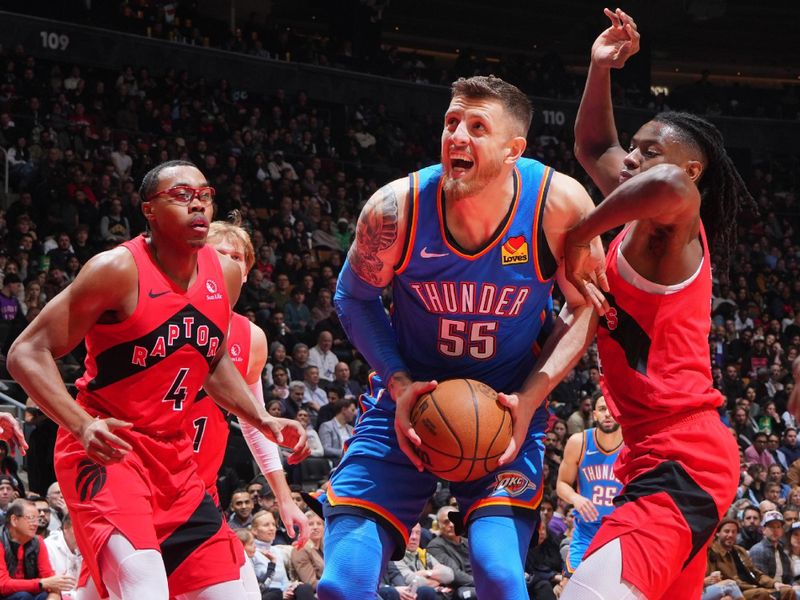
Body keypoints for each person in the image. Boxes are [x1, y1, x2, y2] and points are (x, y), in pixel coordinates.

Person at [320, 74, 603, 600]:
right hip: (405, 403)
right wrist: (400, 385)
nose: (457, 137)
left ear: (513, 149)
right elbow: (353, 297)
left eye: (477, 127)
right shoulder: (395, 208)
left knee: (499, 578)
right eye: (452, 122)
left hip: (505, 412)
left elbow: (587, 306)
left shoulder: (557, 204)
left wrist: (530, 400)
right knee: (342, 583)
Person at [6, 160, 308, 600]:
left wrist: (260, 417)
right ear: (148, 209)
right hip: (110, 450)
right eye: (182, 196)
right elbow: (25, 352)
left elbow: (212, 356)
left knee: (234, 593)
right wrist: (82, 424)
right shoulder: (116, 269)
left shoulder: (220, 275)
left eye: (205, 195)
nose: (198, 205)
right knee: (145, 587)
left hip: (175, 461)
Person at [561, 9, 753, 600]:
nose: (632, 161)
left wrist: (575, 237)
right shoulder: (636, 221)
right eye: (635, 149)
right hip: (653, 458)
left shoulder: (676, 233)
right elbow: (595, 144)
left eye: (649, 152)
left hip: (683, 458)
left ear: (691, 170)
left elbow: (666, 186)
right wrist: (599, 69)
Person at [183, 215, 309, 543]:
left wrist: (283, 499)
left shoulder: (251, 337)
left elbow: (253, 420)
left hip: (199, 487)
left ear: (246, 274)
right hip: (143, 475)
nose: (228, 262)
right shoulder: (161, 309)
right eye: (218, 253)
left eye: (237, 257)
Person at [556, 391, 623, 576]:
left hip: (620, 533)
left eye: (612, 408)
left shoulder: (633, 446)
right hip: (586, 531)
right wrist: (575, 498)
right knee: (569, 586)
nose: (608, 414)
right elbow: (561, 484)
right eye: (602, 409)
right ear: (594, 414)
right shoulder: (579, 442)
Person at [0, 499, 74, 599]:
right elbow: (2, 585)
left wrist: (53, 595)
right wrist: (41, 583)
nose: (35, 524)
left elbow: (50, 579)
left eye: (37, 519)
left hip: (29, 593)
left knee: (44, 595)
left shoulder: (38, 541)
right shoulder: (1, 540)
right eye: (31, 518)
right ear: (14, 520)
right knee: (24, 596)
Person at [706, 518, 794, 600]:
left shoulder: (740, 551)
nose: (730, 535)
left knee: (787, 591)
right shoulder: (713, 552)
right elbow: (717, 580)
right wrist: (753, 587)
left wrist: (774, 583)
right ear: (718, 533)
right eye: (726, 531)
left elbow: (756, 574)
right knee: (761, 593)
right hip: (738, 590)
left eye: (734, 532)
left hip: (753, 587)